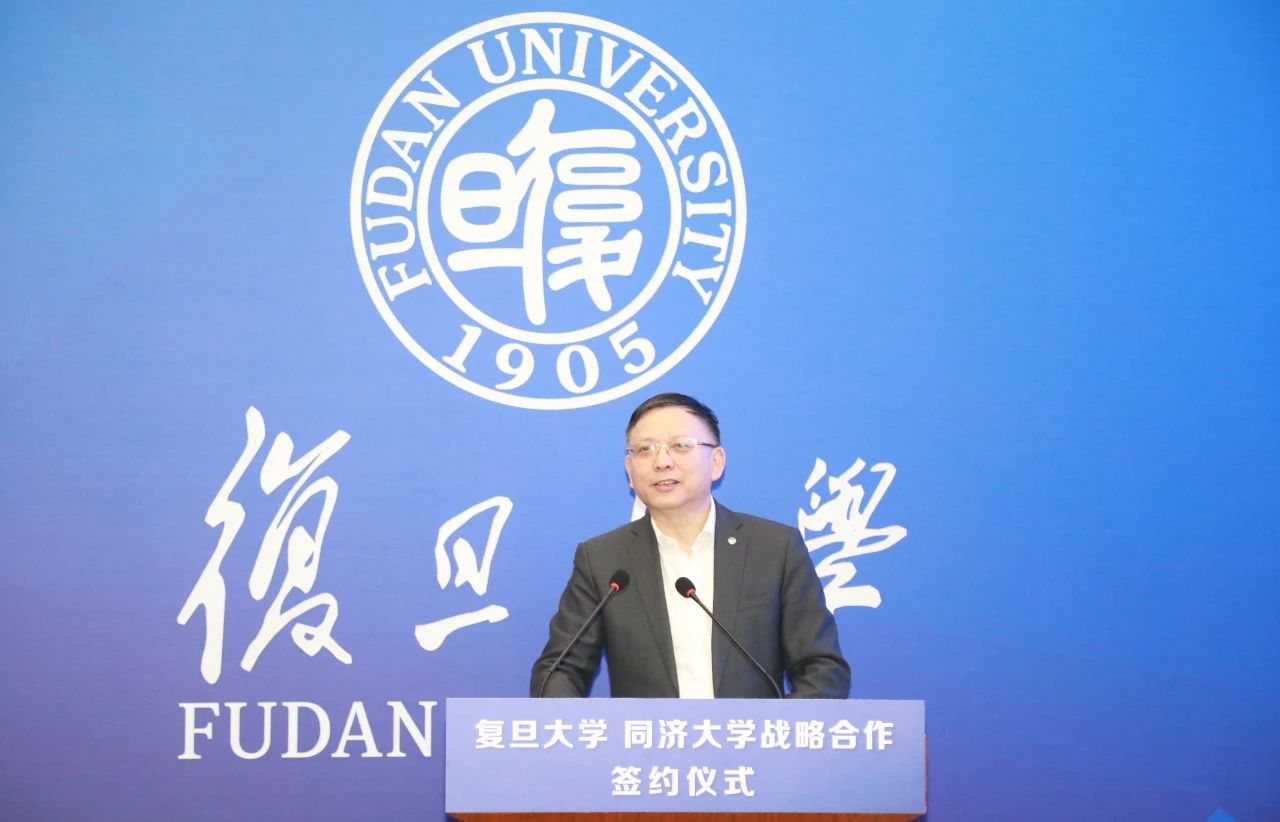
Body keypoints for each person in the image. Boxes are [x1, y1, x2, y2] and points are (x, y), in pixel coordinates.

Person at [530, 392, 850, 698]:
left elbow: (822, 669)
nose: (662, 462)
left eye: (680, 445)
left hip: (749, 737)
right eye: (645, 449)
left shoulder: (775, 549)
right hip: (646, 738)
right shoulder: (603, 559)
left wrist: (773, 729)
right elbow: (559, 670)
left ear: (717, 462)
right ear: (629, 470)